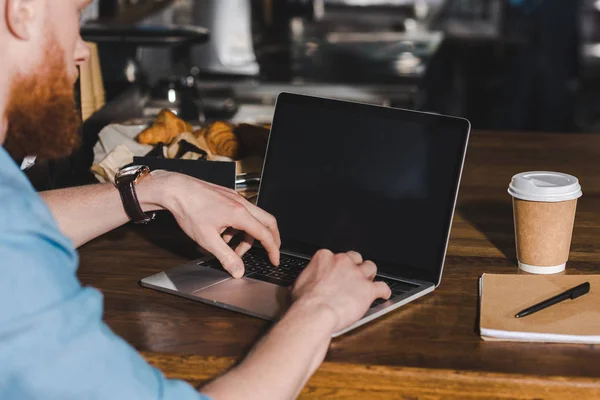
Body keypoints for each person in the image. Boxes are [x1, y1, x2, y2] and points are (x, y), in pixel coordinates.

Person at [0, 1, 391, 399]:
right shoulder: (15, 262)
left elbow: (12, 217)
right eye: (76, 15)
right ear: (23, 11)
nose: (82, 50)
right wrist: (320, 309)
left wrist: (155, 189)